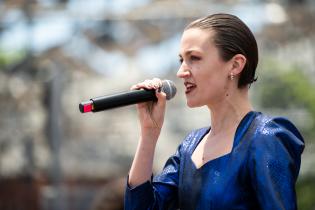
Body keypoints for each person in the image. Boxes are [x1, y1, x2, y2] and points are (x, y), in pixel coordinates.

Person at [124, 13, 305, 210]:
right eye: (181, 60)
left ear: (235, 65)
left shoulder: (265, 138)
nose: (181, 72)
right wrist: (149, 134)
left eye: (194, 58)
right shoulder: (189, 146)